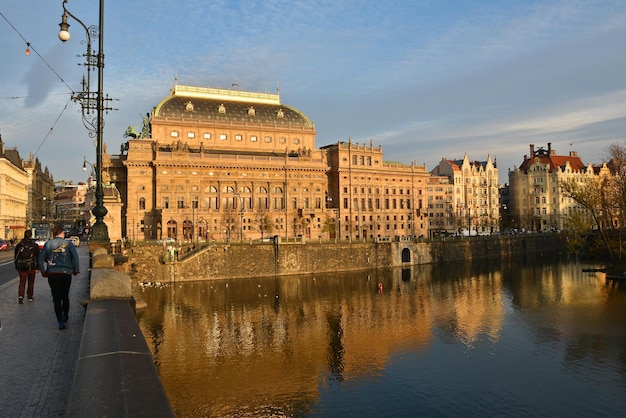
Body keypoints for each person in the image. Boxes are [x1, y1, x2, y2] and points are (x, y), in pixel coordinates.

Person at [38, 223, 80, 330]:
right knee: (65, 296)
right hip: (66, 273)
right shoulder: (68, 244)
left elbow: (40, 259)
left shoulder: (48, 244)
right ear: (62, 233)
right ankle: (65, 315)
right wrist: (76, 270)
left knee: (56, 298)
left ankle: (60, 321)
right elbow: (75, 257)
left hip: (52, 274)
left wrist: (43, 271)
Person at [14, 229, 40, 303]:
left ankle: (21, 296)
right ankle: (30, 296)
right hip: (31, 266)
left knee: (22, 281)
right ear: (31, 235)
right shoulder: (34, 245)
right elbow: (38, 257)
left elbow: (16, 256)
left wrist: (16, 266)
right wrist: (38, 267)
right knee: (31, 281)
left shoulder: (19, 245)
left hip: (21, 266)